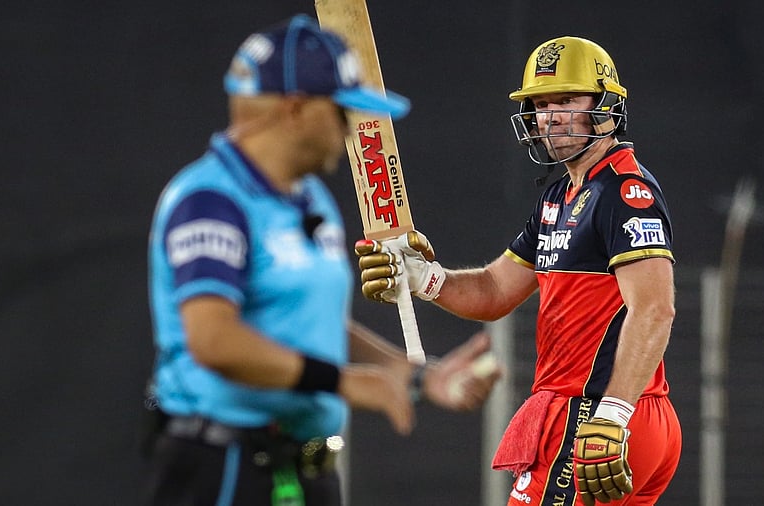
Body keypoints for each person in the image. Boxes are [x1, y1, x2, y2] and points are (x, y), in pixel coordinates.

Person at [143, 15, 501, 506]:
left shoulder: (311, 200)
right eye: (342, 112)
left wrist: (412, 373)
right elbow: (214, 339)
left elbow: (311, 325)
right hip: (224, 468)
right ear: (295, 109)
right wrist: (342, 382)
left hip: (305, 470)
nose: (350, 129)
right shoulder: (210, 200)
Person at [356, 36, 682, 505]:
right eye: (542, 103)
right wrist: (423, 278)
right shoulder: (557, 198)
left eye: (567, 99)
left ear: (607, 105)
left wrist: (611, 415)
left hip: (598, 413)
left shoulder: (624, 191)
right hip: (612, 413)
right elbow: (493, 290)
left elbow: (654, 309)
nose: (551, 115)